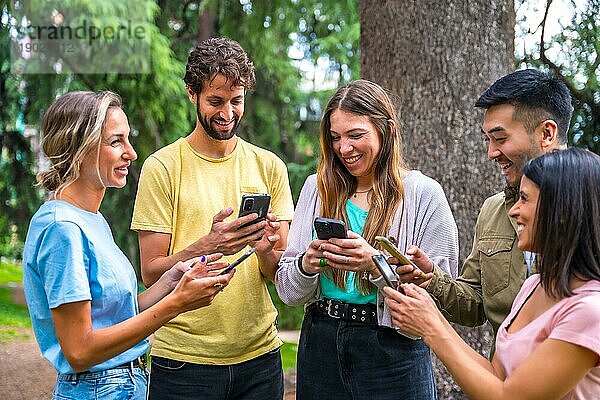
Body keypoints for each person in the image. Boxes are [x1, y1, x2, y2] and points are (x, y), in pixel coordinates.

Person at [22, 91, 233, 400]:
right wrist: (177, 304)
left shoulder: (90, 220)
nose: (131, 153)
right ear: (78, 147)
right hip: (98, 389)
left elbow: (111, 315)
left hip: (121, 385)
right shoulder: (62, 228)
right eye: (116, 141)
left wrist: (171, 285)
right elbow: (80, 350)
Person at [130, 37, 294, 399]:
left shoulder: (269, 166)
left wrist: (265, 250)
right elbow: (152, 272)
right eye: (215, 101)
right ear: (192, 94)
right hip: (183, 361)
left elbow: (278, 273)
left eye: (237, 101)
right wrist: (209, 245)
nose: (227, 113)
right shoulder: (162, 167)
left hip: (259, 358)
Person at [276, 79, 459, 399]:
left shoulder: (423, 194)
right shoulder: (316, 189)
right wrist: (306, 264)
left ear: (386, 130)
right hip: (321, 344)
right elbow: (288, 291)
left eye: (355, 135)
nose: (343, 148)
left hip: (392, 351)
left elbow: (440, 300)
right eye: (335, 137)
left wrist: (373, 264)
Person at [386, 147, 600, 400]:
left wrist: (431, 326)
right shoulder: (533, 286)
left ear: (563, 211)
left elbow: (508, 396)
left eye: (525, 198)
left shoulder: (588, 311)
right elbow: (496, 374)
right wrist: (429, 316)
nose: (513, 210)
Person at [398, 68, 573, 339]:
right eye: (487, 140)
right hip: (502, 377)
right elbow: (475, 305)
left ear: (547, 133)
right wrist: (431, 279)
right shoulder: (493, 210)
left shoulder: (591, 206)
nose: (491, 153)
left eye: (500, 138)